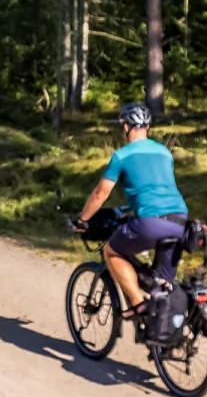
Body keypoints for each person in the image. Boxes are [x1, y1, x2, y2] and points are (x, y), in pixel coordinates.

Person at [73, 102, 189, 319]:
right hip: (180, 220)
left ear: (125, 127)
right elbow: (157, 186)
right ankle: (168, 338)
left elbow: (100, 193)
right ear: (148, 126)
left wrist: (83, 219)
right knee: (163, 286)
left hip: (150, 222)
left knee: (112, 251)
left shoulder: (122, 155)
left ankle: (137, 303)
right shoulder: (165, 152)